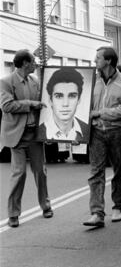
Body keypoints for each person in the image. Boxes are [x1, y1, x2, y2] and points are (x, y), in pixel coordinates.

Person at [83, 47, 121, 227]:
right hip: (96, 132)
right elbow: (83, 107)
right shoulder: (91, 81)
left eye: (98, 57)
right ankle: (97, 213)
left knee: (119, 171)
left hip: (117, 131)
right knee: (95, 172)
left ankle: (118, 207)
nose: (94, 60)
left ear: (108, 61)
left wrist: (101, 113)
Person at [0, 49, 53, 228]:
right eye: (33, 62)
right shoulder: (6, 82)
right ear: (24, 63)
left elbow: (44, 105)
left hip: (34, 134)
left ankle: (46, 206)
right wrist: (30, 104)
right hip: (17, 135)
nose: (35, 64)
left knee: (40, 171)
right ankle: (13, 214)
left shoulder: (35, 81)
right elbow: (6, 106)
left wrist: (50, 131)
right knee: (19, 173)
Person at [37, 68, 89, 142]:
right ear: (50, 100)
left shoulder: (87, 129)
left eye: (72, 96)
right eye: (59, 96)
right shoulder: (38, 132)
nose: (65, 104)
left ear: (79, 99)